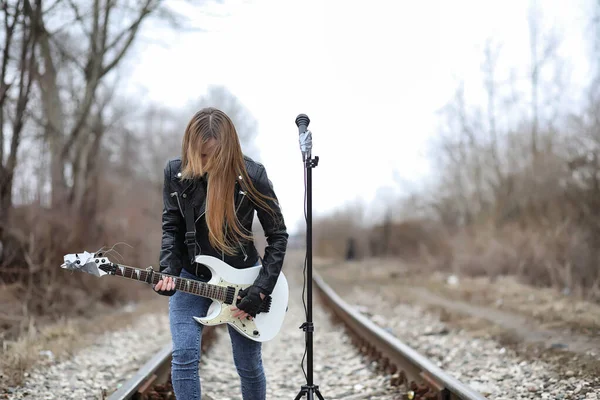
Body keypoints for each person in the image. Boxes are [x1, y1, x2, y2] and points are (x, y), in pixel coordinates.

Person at [153, 107, 288, 400]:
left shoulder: (253, 175)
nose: (206, 162)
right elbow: (171, 228)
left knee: (249, 365)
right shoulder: (176, 173)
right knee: (184, 356)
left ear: (227, 151)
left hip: (244, 284)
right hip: (192, 277)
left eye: (213, 155)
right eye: (200, 154)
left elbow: (277, 236)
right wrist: (168, 270)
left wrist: (261, 290)